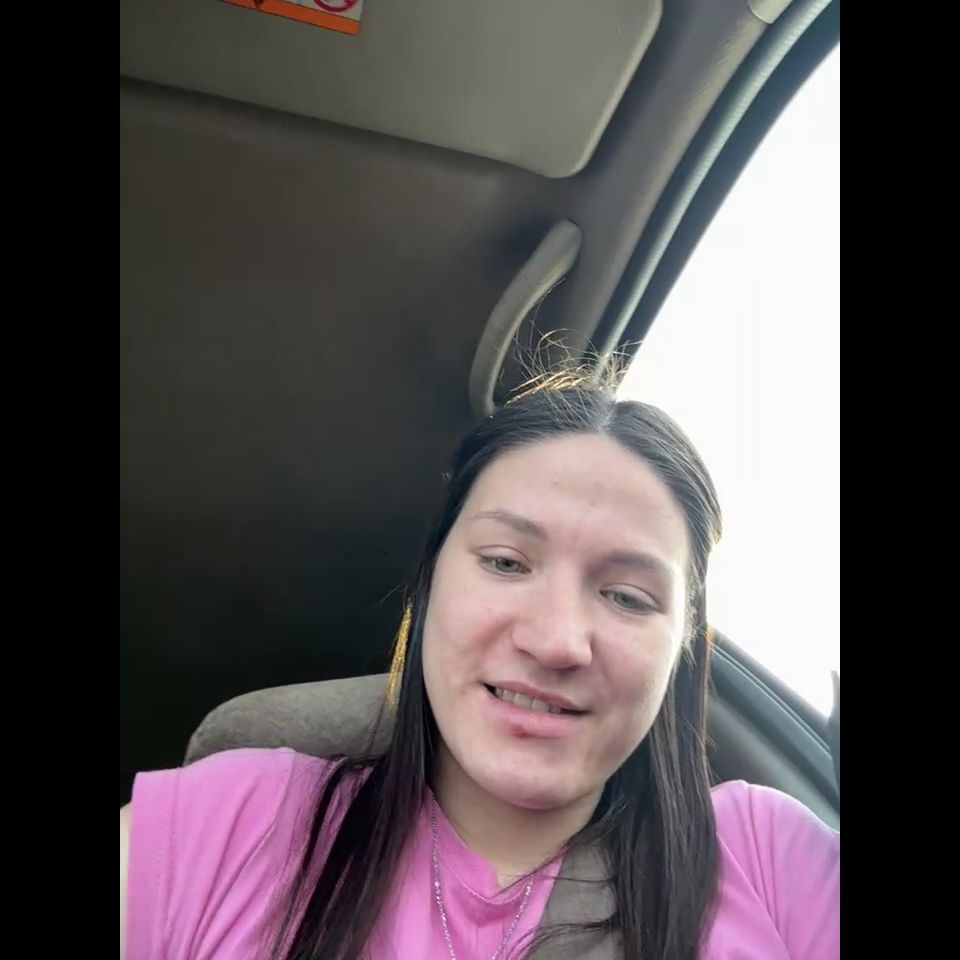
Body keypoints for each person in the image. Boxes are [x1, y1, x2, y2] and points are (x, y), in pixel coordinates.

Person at [119, 377, 839, 960]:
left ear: (681, 647)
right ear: (429, 584)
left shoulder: (774, 860)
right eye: (505, 562)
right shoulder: (221, 826)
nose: (556, 641)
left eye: (627, 596)